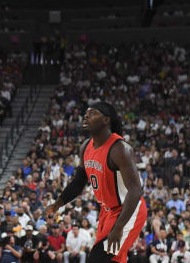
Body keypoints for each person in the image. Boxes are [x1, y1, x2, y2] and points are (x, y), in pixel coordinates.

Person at [46, 102, 147, 263]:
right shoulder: (86, 146)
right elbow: (78, 182)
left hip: (128, 210)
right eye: (86, 113)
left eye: (92, 113)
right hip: (107, 212)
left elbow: (136, 191)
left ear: (106, 120)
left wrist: (119, 227)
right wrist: (58, 203)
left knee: (97, 259)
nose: (86, 116)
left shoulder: (119, 148)